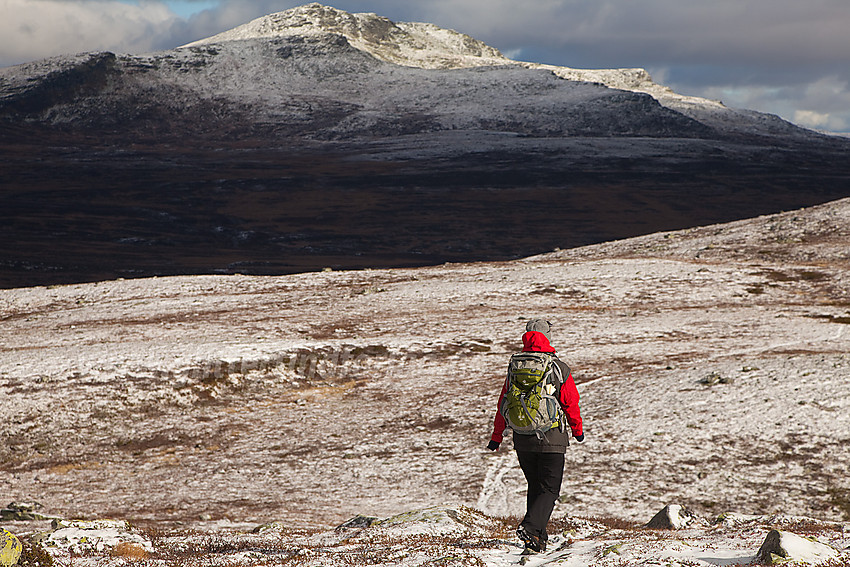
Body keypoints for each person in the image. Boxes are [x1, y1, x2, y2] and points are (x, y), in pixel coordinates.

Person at [487, 319, 584, 554]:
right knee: (549, 490)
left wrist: (497, 436)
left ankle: (537, 540)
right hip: (552, 439)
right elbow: (570, 402)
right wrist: (577, 430)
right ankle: (531, 527)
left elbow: (503, 403)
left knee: (535, 486)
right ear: (547, 337)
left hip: (523, 439)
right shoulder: (557, 367)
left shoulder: (515, 367)